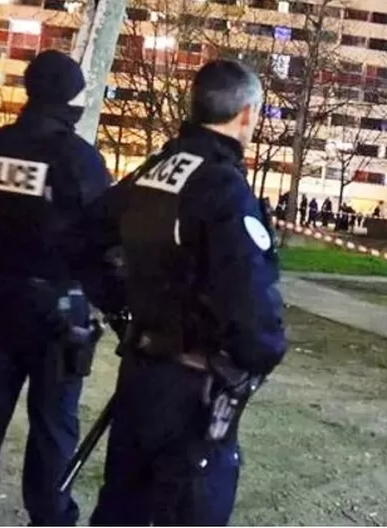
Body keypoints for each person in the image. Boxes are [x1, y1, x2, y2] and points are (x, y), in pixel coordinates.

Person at [89, 59, 287, 526]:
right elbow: (253, 305)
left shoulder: (157, 170)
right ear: (246, 115)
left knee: (123, 507)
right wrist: (256, 359)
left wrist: (124, 308)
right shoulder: (222, 188)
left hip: (141, 374)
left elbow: (82, 238)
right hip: (195, 389)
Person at [0, 50, 128, 526]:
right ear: (68, 95)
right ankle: (50, 514)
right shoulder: (78, 158)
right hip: (55, 311)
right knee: (53, 423)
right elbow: (101, 236)